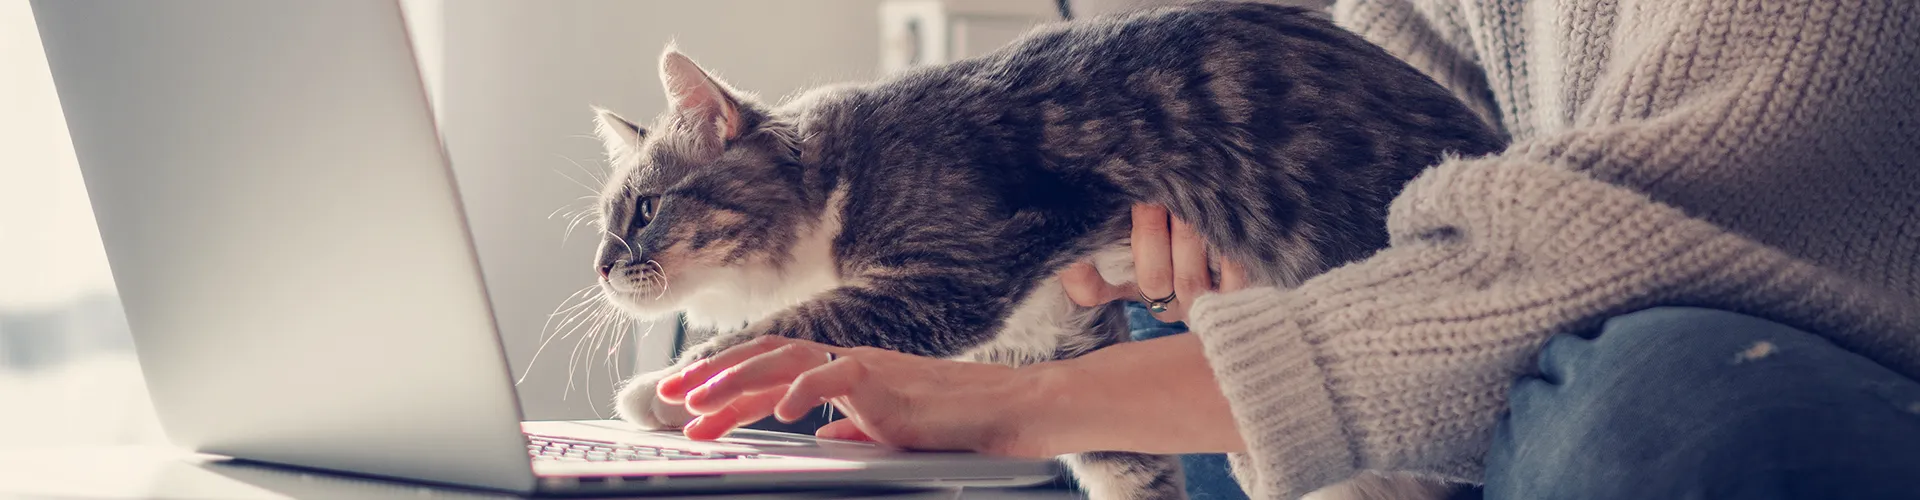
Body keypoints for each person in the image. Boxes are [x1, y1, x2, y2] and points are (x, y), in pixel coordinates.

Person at [651, 0, 1920, 498]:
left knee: (1659, 400)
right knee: (1165, 337)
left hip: (1754, 346)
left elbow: (1594, 256)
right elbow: (1421, 170)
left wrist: (1021, 402)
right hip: (1468, 324)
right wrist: (1223, 292)